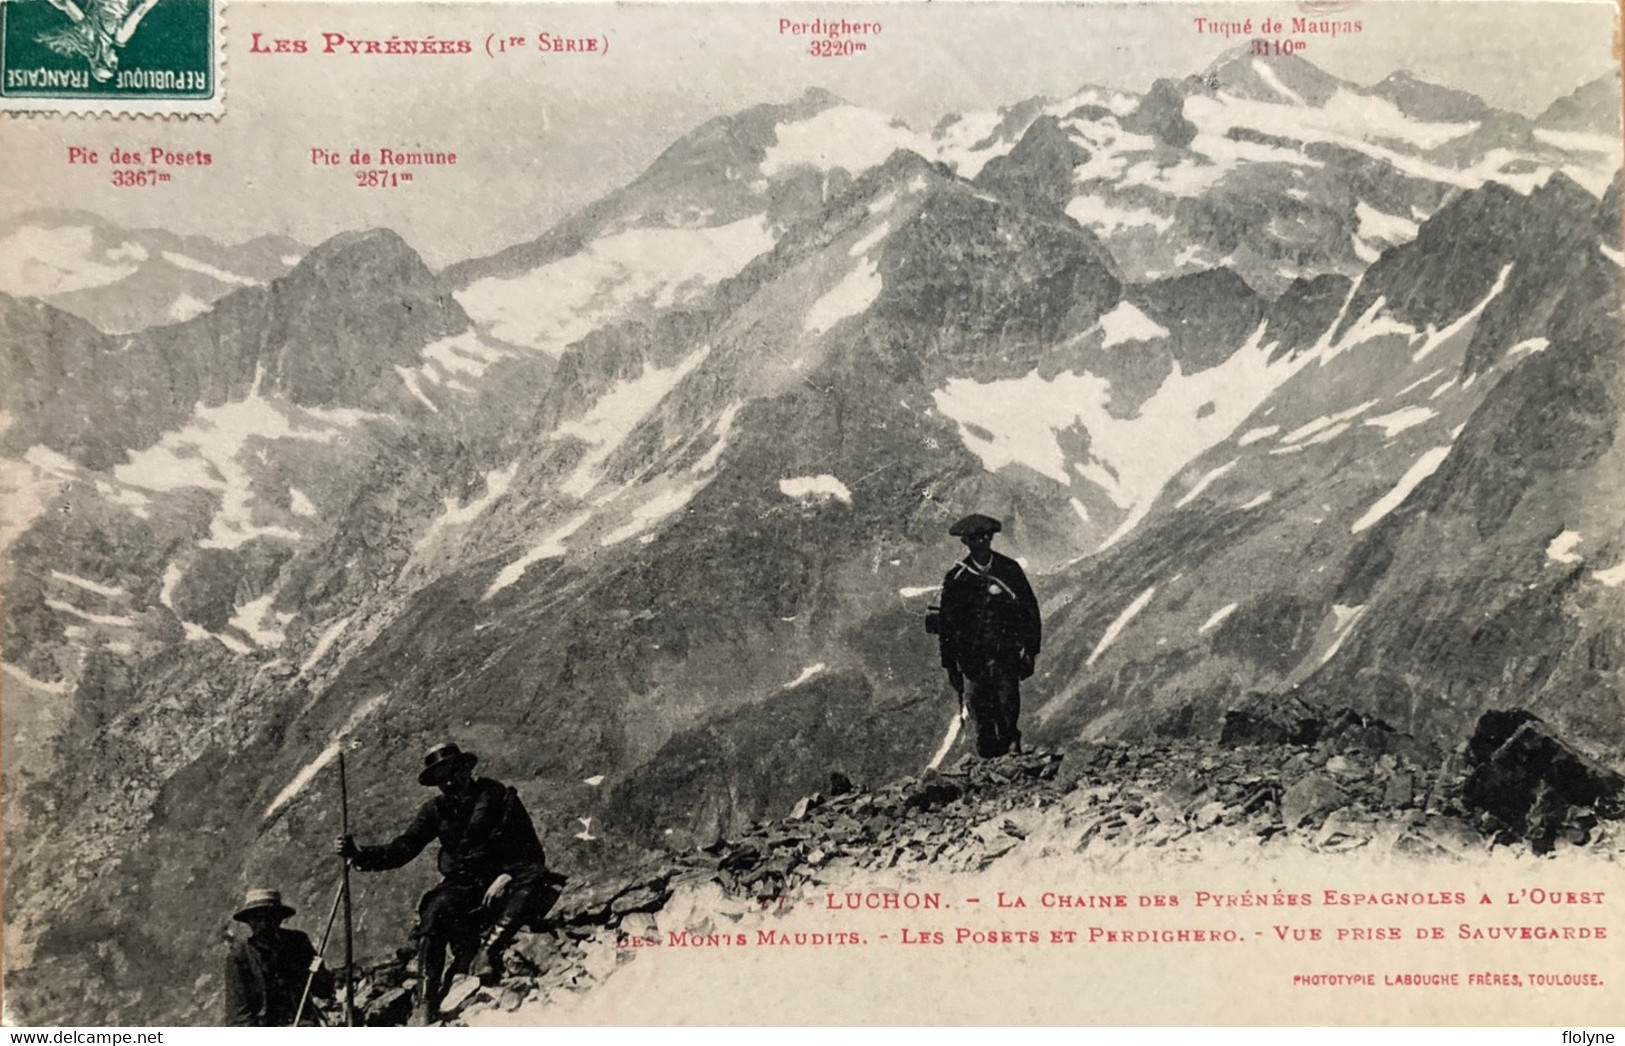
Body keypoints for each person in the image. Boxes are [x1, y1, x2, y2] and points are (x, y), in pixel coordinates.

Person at [337, 743, 559, 1025]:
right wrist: (359, 853)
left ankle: (487, 952)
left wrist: (506, 875)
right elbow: (404, 848)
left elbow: (532, 852)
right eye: (442, 779)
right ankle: (426, 1001)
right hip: (465, 884)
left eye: (454, 773)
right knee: (437, 906)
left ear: (467, 768)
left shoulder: (499, 798)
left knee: (534, 878)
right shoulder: (434, 811)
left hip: (508, 876)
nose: (450, 782)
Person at [937, 513, 1042, 758]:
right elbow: (947, 627)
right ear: (966, 542)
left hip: (1005, 655)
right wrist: (951, 665)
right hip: (972, 661)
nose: (982, 542)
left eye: (986, 537)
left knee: (1007, 707)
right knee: (980, 711)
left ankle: (1010, 758)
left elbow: (1029, 610)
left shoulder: (1010, 570)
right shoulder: (956, 579)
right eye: (975, 538)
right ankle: (988, 764)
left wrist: (1031, 650)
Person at [224, 888, 333, 1026]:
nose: (264, 925)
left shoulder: (297, 943)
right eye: (258, 919)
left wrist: (320, 973)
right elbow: (238, 1016)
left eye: (270, 918)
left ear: (279, 919)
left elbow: (324, 991)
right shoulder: (239, 957)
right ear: (249, 921)